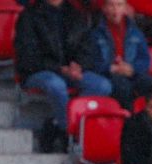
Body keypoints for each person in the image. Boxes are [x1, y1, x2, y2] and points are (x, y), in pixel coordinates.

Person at [14, 0, 111, 153]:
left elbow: (88, 47)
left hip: (69, 71)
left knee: (102, 86)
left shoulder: (75, 14)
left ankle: (56, 123)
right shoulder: (29, 16)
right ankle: (69, 133)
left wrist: (79, 65)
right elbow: (28, 56)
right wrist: (59, 68)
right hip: (37, 71)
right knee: (56, 85)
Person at [90, 0, 152, 111]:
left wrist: (132, 68)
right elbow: (92, 62)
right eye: (111, 5)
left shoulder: (136, 32)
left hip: (131, 72)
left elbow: (145, 59)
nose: (115, 9)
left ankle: (148, 119)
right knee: (122, 87)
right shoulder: (95, 34)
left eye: (119, 5)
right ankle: (129, 119)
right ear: (104, 8)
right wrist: (111, 68)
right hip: (109, 74)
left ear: (125, 8)